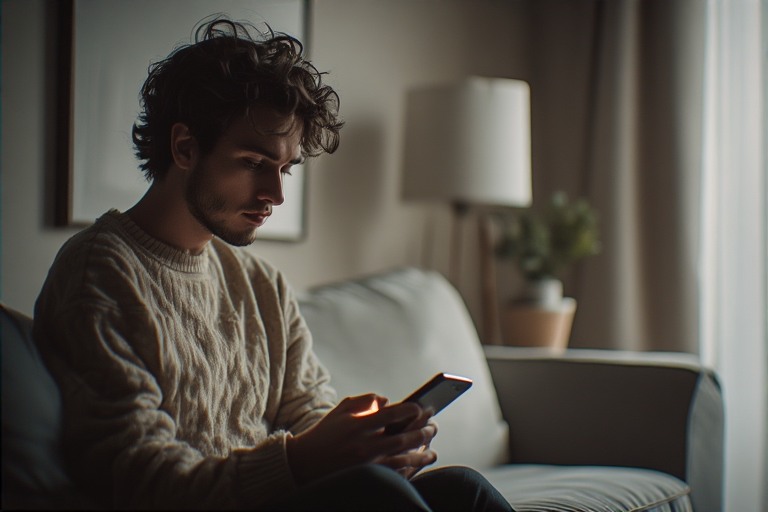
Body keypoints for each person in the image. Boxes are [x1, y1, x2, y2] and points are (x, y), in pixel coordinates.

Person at [33, 17, 512, 511]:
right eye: (253, 163)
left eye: (284, 169)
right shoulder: (101, 272)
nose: (275, 195)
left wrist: (370, 447)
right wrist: (303, 461)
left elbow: (309, 413)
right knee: (378, 494)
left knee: (463, 489)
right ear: (184, 147)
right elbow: (140, 479)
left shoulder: (261, 284)